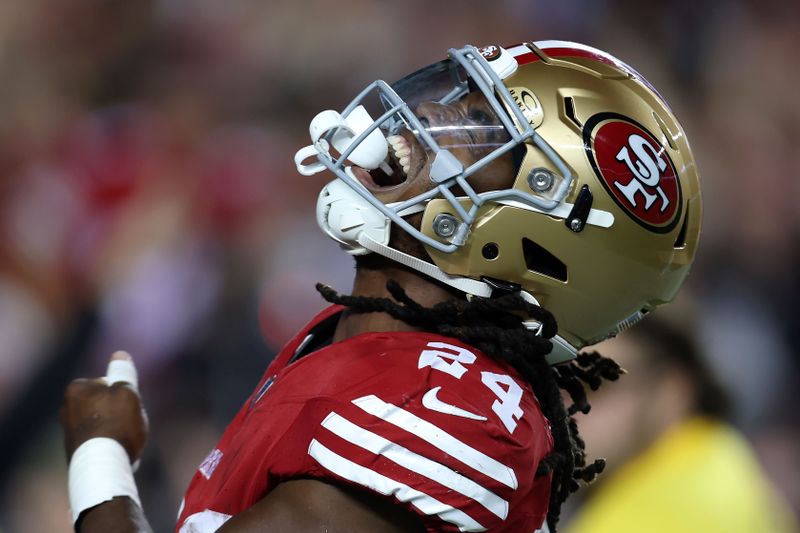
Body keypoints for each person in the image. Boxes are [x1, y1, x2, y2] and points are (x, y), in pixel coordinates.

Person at [60, 40, 702, 532]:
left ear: (538, 237)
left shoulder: (453, 411)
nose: (417, 121)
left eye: (477, 134)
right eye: (449, 105)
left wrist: (98, 455)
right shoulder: (374, 339)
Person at [564, 311, 798, 533]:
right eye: (557, 383)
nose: (566, 406)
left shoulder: (659, 513)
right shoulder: (721, 455)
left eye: (593, 385)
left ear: (673, 391)